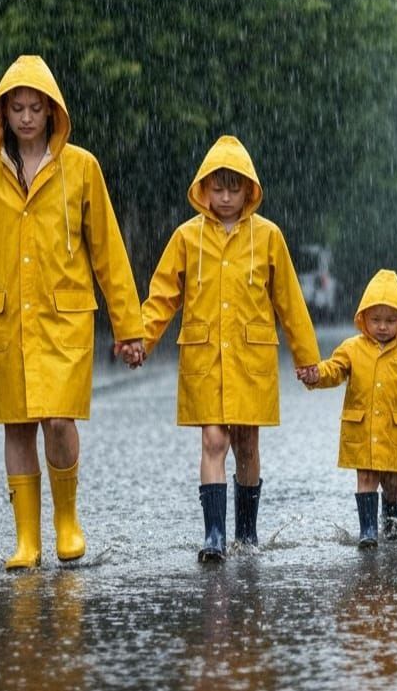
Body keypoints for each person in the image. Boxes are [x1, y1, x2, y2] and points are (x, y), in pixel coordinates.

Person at [0, 55, 145, 570]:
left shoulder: (83, 169)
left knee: (59, 418)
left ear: (52, 112)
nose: (26, 117)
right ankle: (27, 540)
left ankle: (67, 520)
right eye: (16, 108)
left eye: (35, 108)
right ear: (1, 114)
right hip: (2, 318)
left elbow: (108, 251)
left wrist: (127, 327)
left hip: (63, 317)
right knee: (18, 425)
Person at [141, 135, 320, 562]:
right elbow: (163, 294)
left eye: (233, 188)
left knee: (247, 445)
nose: (224, 198)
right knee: (213, 441)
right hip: (205, 358)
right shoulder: (186, 237)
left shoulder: (268, 237)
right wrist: (141, 340)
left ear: (248, 190)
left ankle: (247, 532)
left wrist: (307, 357)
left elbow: (289, 301)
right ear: (204, 188)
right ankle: (215, 536)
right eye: (217, 188)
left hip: (250, 358)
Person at [296, 269, 397, 548]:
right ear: (364, 318)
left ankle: (390, 524)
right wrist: (316, 375)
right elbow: (334, 369)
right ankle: (368, 531)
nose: (383, 327)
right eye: (376, 320)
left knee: (391, 484)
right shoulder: (351, 348)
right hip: (361, 428)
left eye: (390, 320)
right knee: (365, 476)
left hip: (395, 433)